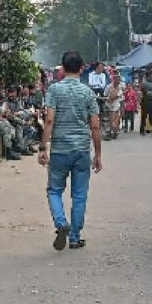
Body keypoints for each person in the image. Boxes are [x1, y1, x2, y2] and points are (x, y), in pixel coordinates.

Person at [39, 50, 101, 250]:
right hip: (82, 149)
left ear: (62, 69)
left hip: (59, 149)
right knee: (80, 194)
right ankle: (74, 237)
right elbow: (95, 126)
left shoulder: (54, 90)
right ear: (82, 69)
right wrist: (98, 154)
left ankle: (60, 223)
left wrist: (43, 148)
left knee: (54, 190)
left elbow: (49, 120)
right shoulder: (88, 93)